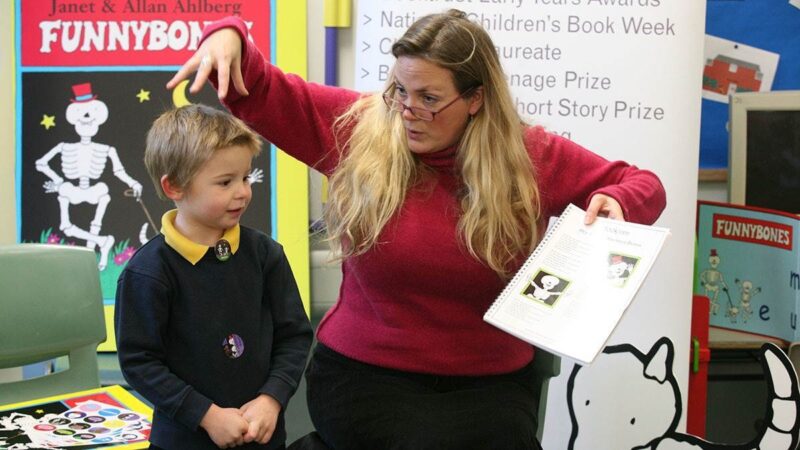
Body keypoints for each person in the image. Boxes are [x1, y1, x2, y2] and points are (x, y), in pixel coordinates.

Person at [168, 9, 667, 449]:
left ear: (475, 99)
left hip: (490, 385)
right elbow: (257, 88)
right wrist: (229, 32)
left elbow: (643, 184)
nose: (407, 111)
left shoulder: (529, 158)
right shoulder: (361, 128)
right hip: (364, 377)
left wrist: (618, 200)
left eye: (429, 98)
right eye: (400, 92)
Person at [115, 104, 313, 450]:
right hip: (182, 442)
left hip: (262, 438)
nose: (242, 192)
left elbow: (294, 336)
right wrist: (205, 415)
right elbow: (139, 361)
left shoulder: (265, 255)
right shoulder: (147, 272)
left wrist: (272, 399)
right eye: (225, 182)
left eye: (246, 178)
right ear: (175, 186)